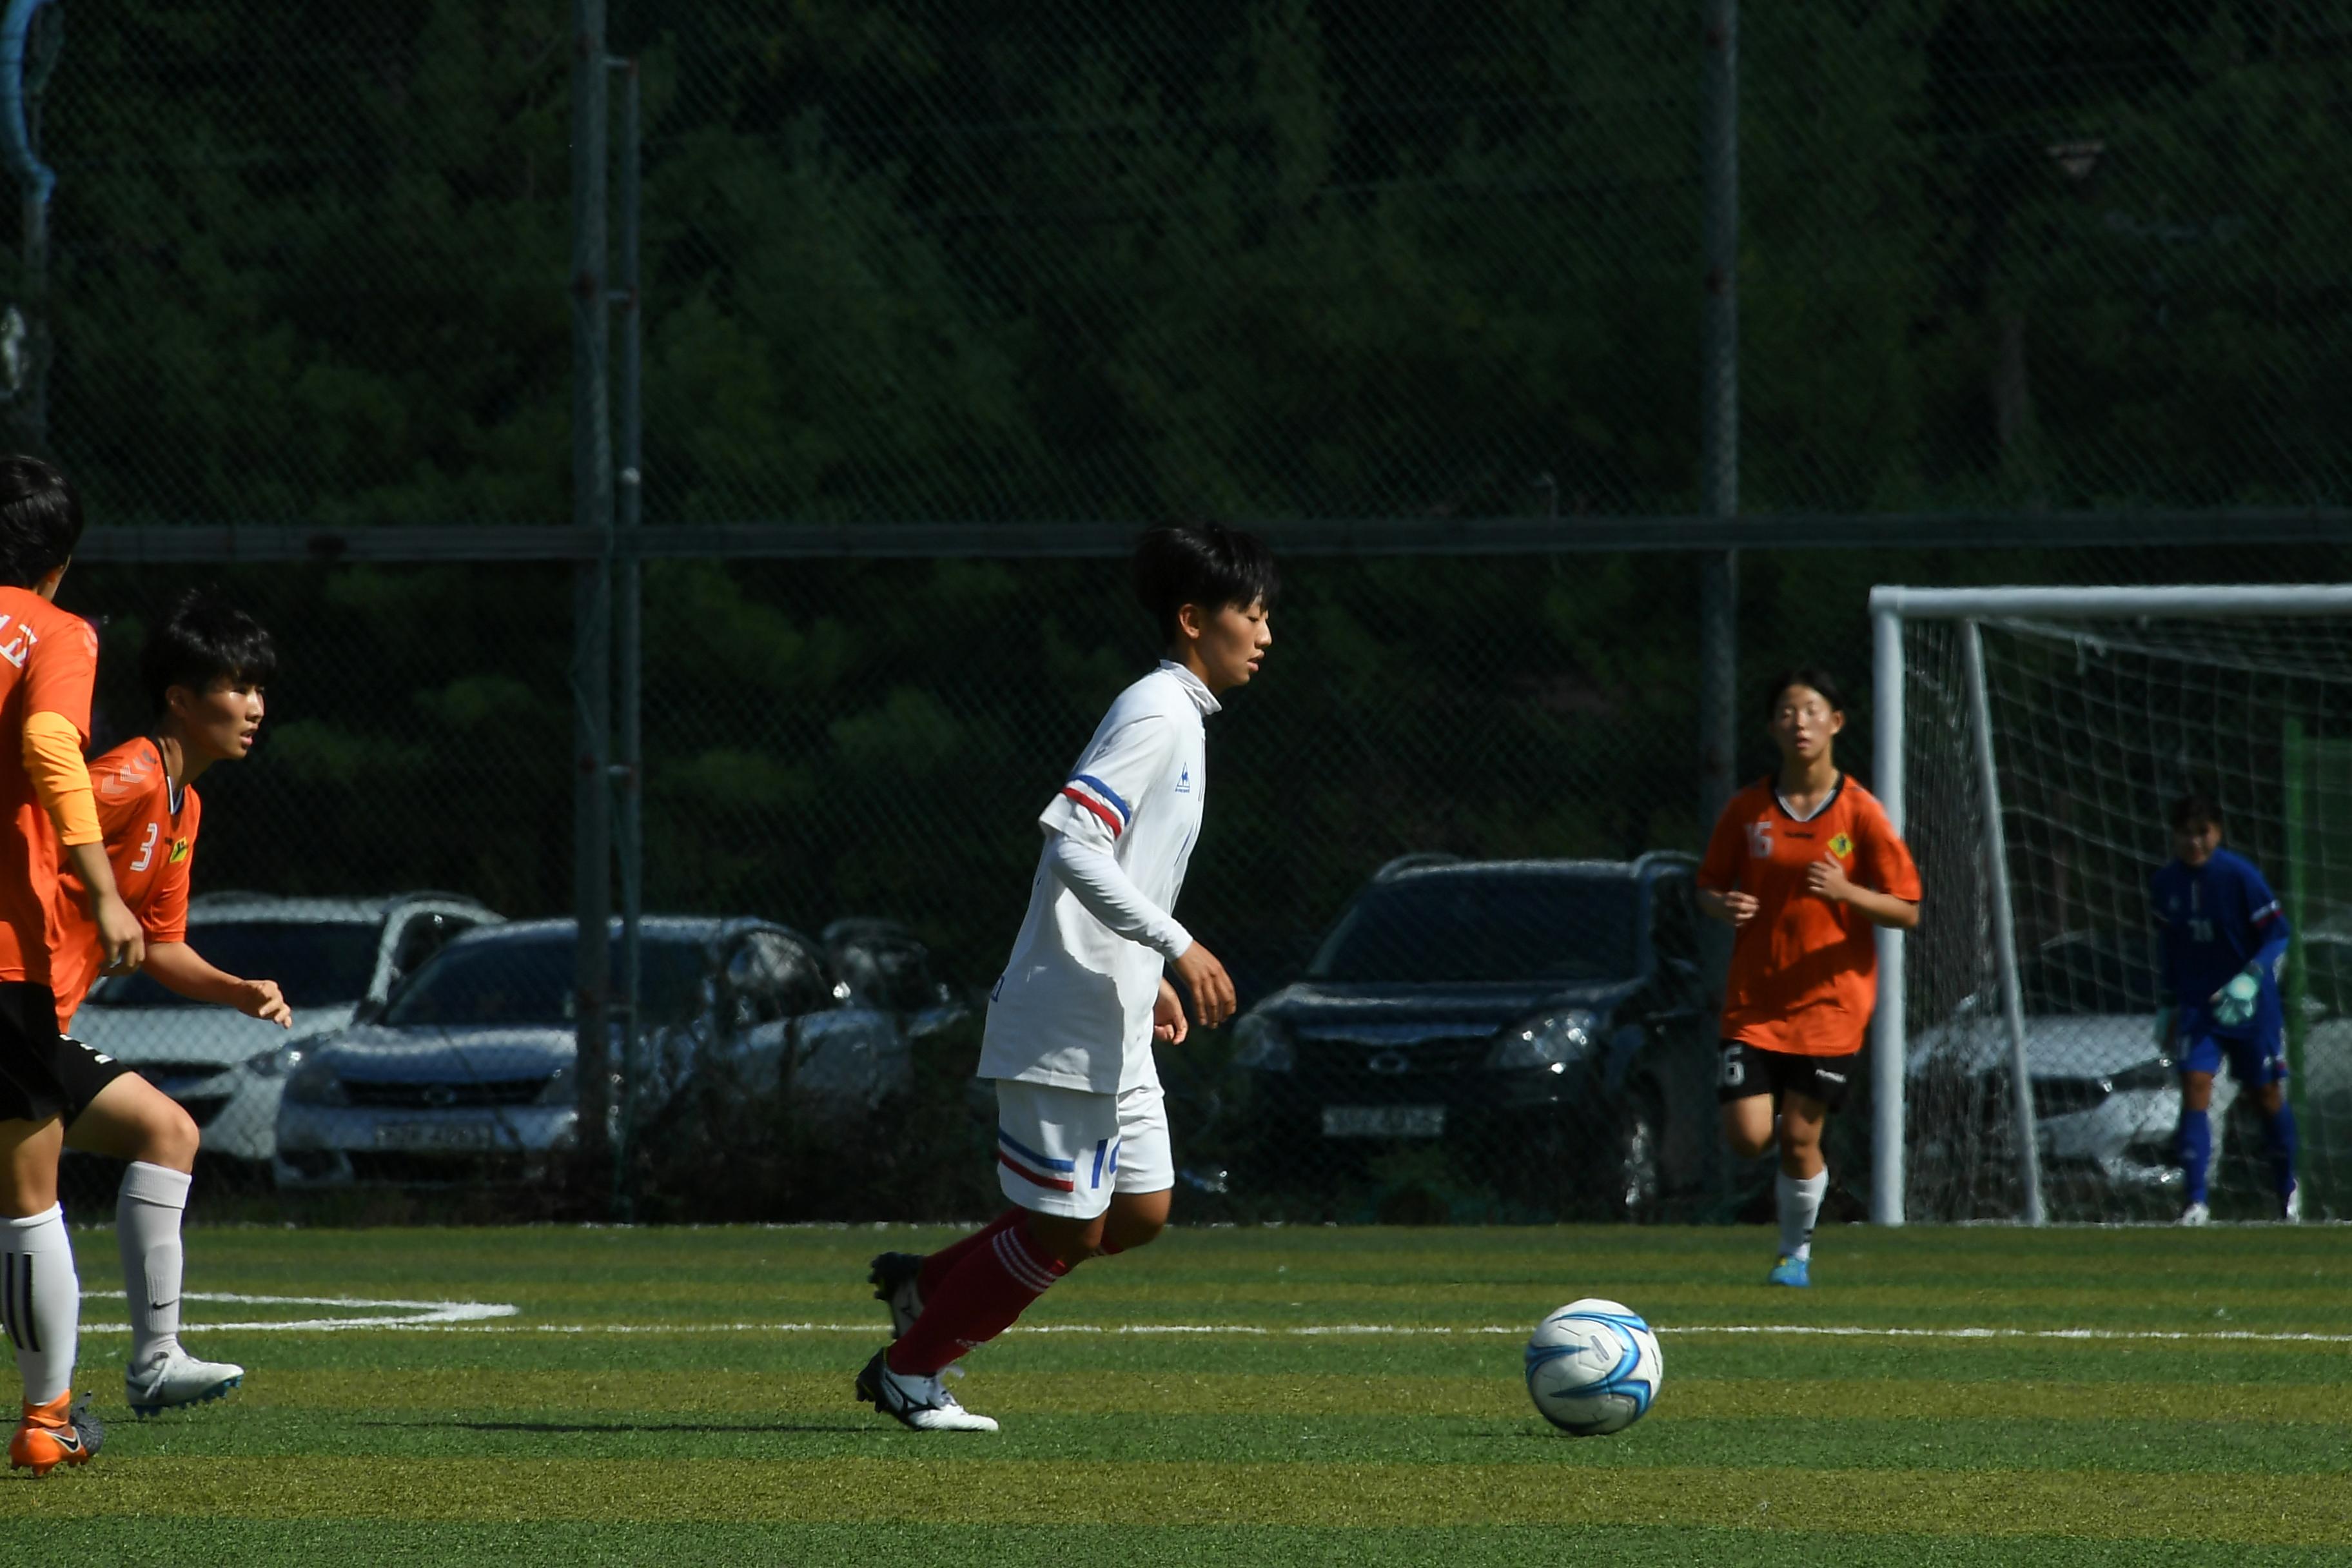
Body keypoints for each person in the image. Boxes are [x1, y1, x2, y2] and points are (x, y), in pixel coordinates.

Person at [856, 523, 1274, 1431]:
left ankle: (925, 1285)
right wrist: (1177, 945)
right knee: (1067, 1230)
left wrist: (1146, 968)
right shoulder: (1156, 712)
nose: (1266, 633)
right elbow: (1074, 841)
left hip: (1111, 1011)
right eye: (1252, 613)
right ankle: (909, 1372)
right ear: (1195, 619)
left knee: (1139, 1214)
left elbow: (1118, 865)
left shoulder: (1184, 720)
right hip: (1063, 1017)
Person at [46, 591, 288, 1415]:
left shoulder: (184, 801)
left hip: (36, 1023)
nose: (254, 705)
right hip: (15, 1012)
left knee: (165, 1130)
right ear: (180, 698)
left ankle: (151, 1364)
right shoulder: (129, 775)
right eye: (234, 684)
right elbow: (41, 825)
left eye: (259, 686)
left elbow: (160, 942)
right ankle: (104, 1383)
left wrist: (236, 992)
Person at [0, 456, 143, 1475]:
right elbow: (53, 742)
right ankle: (47, 1420)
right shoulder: (57, 632)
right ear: (58, 563)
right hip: (2, 950)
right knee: (27, 1183)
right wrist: (99, 888)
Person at [1698, 667, 1919, 1288]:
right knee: (1747, 1138)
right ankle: (1818, 1193)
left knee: (1798, 1135)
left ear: (1837, 723)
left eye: (1813, 710)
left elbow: (1907, 908)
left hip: (1831, 1005)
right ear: (1772, 726)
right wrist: (1724, 905)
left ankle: (1794, 1255)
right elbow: (1708, 887)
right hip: (1755, 1002)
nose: (1800, 723)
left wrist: (1848, 891)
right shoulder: (1747, 809)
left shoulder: (1861, 813)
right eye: (1789, 712)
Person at [2151, 793, 2297, 1225]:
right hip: (2200, 1007)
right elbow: (2169, 947)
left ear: (2217, 833)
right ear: (2174, 836)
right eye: (2186, 834)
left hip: (2251, 1007)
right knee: (2195, 1087)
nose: (2194, 842)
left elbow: (2279, 934)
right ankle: (2196, 1202)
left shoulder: (2240, 876)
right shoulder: (2165, 884)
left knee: (2266, 1095)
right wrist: (2167, 1002)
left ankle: (2288, 1190)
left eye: (2203, 833)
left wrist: (2251, 976)